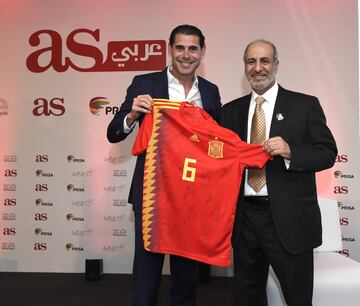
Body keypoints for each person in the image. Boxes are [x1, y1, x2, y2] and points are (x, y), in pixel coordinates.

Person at [107, 24, 221, 306]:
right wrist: (132, 114)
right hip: (152, 194)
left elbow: (215, 140)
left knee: (186, 275)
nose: (186, 54)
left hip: (191, 197)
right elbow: (114, 132)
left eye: (193, 48)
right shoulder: (144, 83)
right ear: (170, 49)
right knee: (147, 272)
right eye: (180, 47)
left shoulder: (210, 91)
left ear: (202, 52)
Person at [220, 39, 337, 306]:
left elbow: (327, 152)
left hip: (289, 221)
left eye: (264, 61)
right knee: (247, 297)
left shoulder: (304, 105)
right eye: (251, 61)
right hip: (244, 219)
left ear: (276, 65)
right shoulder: (230, 111)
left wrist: (291, 151)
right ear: (245, 67)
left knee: (297, 298)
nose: (257, 68)